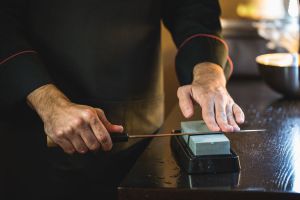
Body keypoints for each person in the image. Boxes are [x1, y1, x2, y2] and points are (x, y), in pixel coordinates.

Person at [0, 0, 245, 199]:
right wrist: (47, 101)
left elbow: (193, 7)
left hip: (141, 133)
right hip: (36, 136)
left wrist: (208, 70)